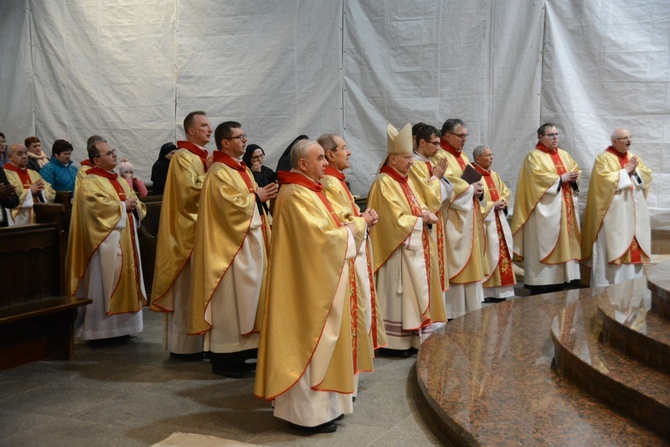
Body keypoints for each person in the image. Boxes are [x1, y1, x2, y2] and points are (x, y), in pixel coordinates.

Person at [255, 139, 357, 434]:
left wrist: (347, 226)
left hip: (315, 279)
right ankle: (305, 415)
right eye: (321, 159)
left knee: (323, 342)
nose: (326, 163)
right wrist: (355, 229)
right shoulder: (295, 193)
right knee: (308, 342)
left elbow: (328, 227)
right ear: (303, 164)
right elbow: (320, 240)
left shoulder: (308, 190)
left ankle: (323, 410)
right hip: (303, 286)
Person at [189, 121, 277, 377]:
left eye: (244, 136)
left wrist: (261, 197)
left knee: (249, 301)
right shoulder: (218, 171)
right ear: (225, 142)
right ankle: (227, 358)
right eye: (239, 137)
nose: (244, 141)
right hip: (229, 251)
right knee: (231, 303)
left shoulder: (240, 168)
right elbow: (227, 207)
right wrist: (257, 198)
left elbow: (250, 197)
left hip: (249, 244)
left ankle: (247, 352)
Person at [319, 132, 386, 393]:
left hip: (356, 253)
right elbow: (338, 220)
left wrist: (362, 216)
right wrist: (362, 220)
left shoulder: (338, 181)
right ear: (330, 155)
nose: (349, 153)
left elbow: (348, 216)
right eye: (344, 148)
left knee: (363, 310)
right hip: (346, 257)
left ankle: (352, 376)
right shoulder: (329, 182)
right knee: (354, 312)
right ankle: (347, 378)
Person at [367, 123, 438, 355]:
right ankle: (395, 343)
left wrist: (425, 212)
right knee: (398, 297)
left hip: (412, 249)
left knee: (412, 296)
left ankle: (412, 338)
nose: (411, 162)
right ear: (393, 158)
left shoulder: (404, 180)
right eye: (407, 158)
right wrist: (420, 220)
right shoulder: (383, 182)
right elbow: (393, 220)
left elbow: (417, 205)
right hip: (396, 251)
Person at [66, 140, 147, 340]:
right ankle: (101, 331)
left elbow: (133, 200)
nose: (114, 155)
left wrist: (134, 205)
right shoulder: (89, 182)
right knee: (104, 283)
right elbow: (95, 209)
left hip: (126, 238)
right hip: (103, 243)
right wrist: (122, 206)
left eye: (113, 151)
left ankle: (125, 328)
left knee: (126, 278)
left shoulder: (118, 180)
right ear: (97, 160)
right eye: (109, 153)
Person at [151, 111, 212, 359]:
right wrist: (213, 175)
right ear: (191, 131)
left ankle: (201, 342)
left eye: (209, 125)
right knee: (187, 290)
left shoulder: (201, 156)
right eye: (204, 125)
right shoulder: (183, 157)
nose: (210, 129)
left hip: (201, 230)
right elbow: (189, 193)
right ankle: (184, 346)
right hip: (187, 232)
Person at [511, 123, 581, 294]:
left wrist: (573, 178)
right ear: (540, 137)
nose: (555, 137)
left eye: (557, 134)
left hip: (565, 208)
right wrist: (560, 179)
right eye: (550, 135)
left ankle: (564, 278)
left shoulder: (564, 155)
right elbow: (535, 179)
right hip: (545, 211)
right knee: (543, 242)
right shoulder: (533, 157)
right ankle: (542, 281)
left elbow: (575, 170)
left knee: (565, 240)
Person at [581, 128, 652, 287]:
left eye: (629, 137)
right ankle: (607, 288)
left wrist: (635, 173)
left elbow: (646, 175)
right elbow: (603, 183)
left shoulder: (633, 157)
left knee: (633, 253)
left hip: (633, 215)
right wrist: (624, 172)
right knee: (612, 247)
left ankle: (633, 289)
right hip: (613, 217)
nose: (629, 140)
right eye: (624, 138)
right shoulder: (603, 159)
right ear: (614, 141)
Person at [435, 118, 487, 318]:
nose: (464, 139)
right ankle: (454, 310)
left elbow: (469, 179)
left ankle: (470, 309)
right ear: (447, 136)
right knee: (456, 261)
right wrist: (469, 189)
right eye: (460, 135)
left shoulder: (463, 155)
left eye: (466, 135)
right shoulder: (440, 155)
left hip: (469, 217)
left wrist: (478, 189)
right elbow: (446, 184)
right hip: (454, 218)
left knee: (472, 259)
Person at [409, 123, 452, 321]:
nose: (438, 148)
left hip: (436, 222)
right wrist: (435, 178)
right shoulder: (415, 166)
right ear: (422, 142)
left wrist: (438, 178)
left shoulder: (427, 162)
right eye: (434, 143)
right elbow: (431, 200)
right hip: (424, 223)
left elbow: (445, 194)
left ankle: (436, 314)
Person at [472, 145, 516, 301]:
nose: (492, 158)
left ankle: (502, 291)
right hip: (483, 224)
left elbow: (505, 192)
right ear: (478, 158)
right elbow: (469, 200)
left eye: (492, 155)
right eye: (488, 155)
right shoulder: (470, 174)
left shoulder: (494, 175)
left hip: (498, 220)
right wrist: (492, 206)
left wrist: (503, 201)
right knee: (488, 254)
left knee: (500, 252)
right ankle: (487, 292)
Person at [3, 143, 56, 225]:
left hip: (38, 214)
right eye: (19, 154)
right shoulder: (5, 174)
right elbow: (9, 198)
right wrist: (30, 192)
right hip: (18, 218)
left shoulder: (33, 173)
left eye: (25, 153)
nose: (24, 156)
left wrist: (42, 191)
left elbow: (50, 190)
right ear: (10, 157)